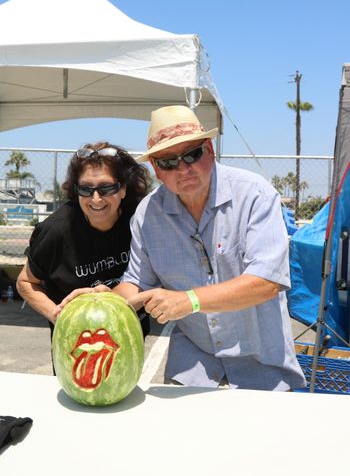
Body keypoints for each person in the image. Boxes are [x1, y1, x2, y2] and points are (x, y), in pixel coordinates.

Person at [115, 105, 306, 390]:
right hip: (193, 362)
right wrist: (102, 300)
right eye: (168, 162)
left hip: (262, 364)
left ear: (210, 150)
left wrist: (189, 300)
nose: (183, 168)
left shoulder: (255, 195)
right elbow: (137, 283)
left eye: (192, 154)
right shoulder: (147, 213)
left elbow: (266, 281)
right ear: (155, 168)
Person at [16, 141, 152, 340]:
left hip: (129, 335)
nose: (96, 199)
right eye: (86, 189)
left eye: (106, 188)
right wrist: (60, 317)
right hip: (77, 341)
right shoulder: (57, 231)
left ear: (123, 189)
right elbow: (25, 282)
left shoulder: (141, 220)